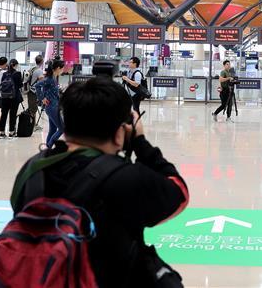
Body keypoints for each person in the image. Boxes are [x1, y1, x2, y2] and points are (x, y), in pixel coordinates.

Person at [12, 76, 188, 287]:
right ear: (121, 130)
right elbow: (178, 192)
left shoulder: (33, 168)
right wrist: (140, 143)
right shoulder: (126, 178)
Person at [34, 58, 65, 147]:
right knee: (62, 129)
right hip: (52, 107)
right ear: (58, 68)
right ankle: (49, 147)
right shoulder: (50, 79)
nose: (63, 70)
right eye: (62, 68)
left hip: (53, 106)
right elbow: (37, 85)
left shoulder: (54, 79)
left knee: (53, 130)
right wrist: (42, 98)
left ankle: (48, 148)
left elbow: (48, 90)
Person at [0, 59, 23, 139]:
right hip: (14, 97)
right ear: (15, 65)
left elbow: (2, 84)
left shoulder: (5, 73)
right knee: (12, 114)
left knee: (4, 114)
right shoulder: (17, 74)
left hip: (5, 97)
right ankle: (11, 132)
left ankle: (2, 133)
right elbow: (20, 85)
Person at [24, 55, 45, 127]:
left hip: (30, 90)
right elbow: (42, 81)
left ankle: (33, 124)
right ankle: (32, 125)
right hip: (34, 91)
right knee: (33, 109)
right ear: (42, 61)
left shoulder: (32, 68)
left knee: (32, 107)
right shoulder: (39, 70)